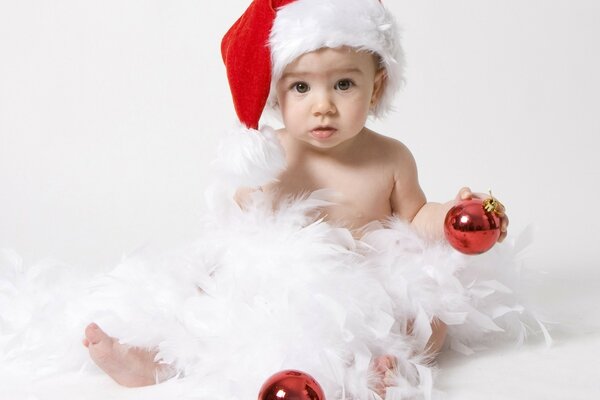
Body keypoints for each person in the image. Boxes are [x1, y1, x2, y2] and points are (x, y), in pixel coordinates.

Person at [82, 0, 508, 397]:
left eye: (343, 84)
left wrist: (455, 216)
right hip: (282, 294)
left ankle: (389, 365)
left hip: (372, 292)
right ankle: (158, 360)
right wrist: (253, 194)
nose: (323, 106)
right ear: (275, 93)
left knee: (431, 313)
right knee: (205, 294)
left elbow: (416, 218)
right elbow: (240, 228)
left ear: (376, 88)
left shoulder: (390, 157)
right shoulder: (273, 156)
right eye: (301, 87)